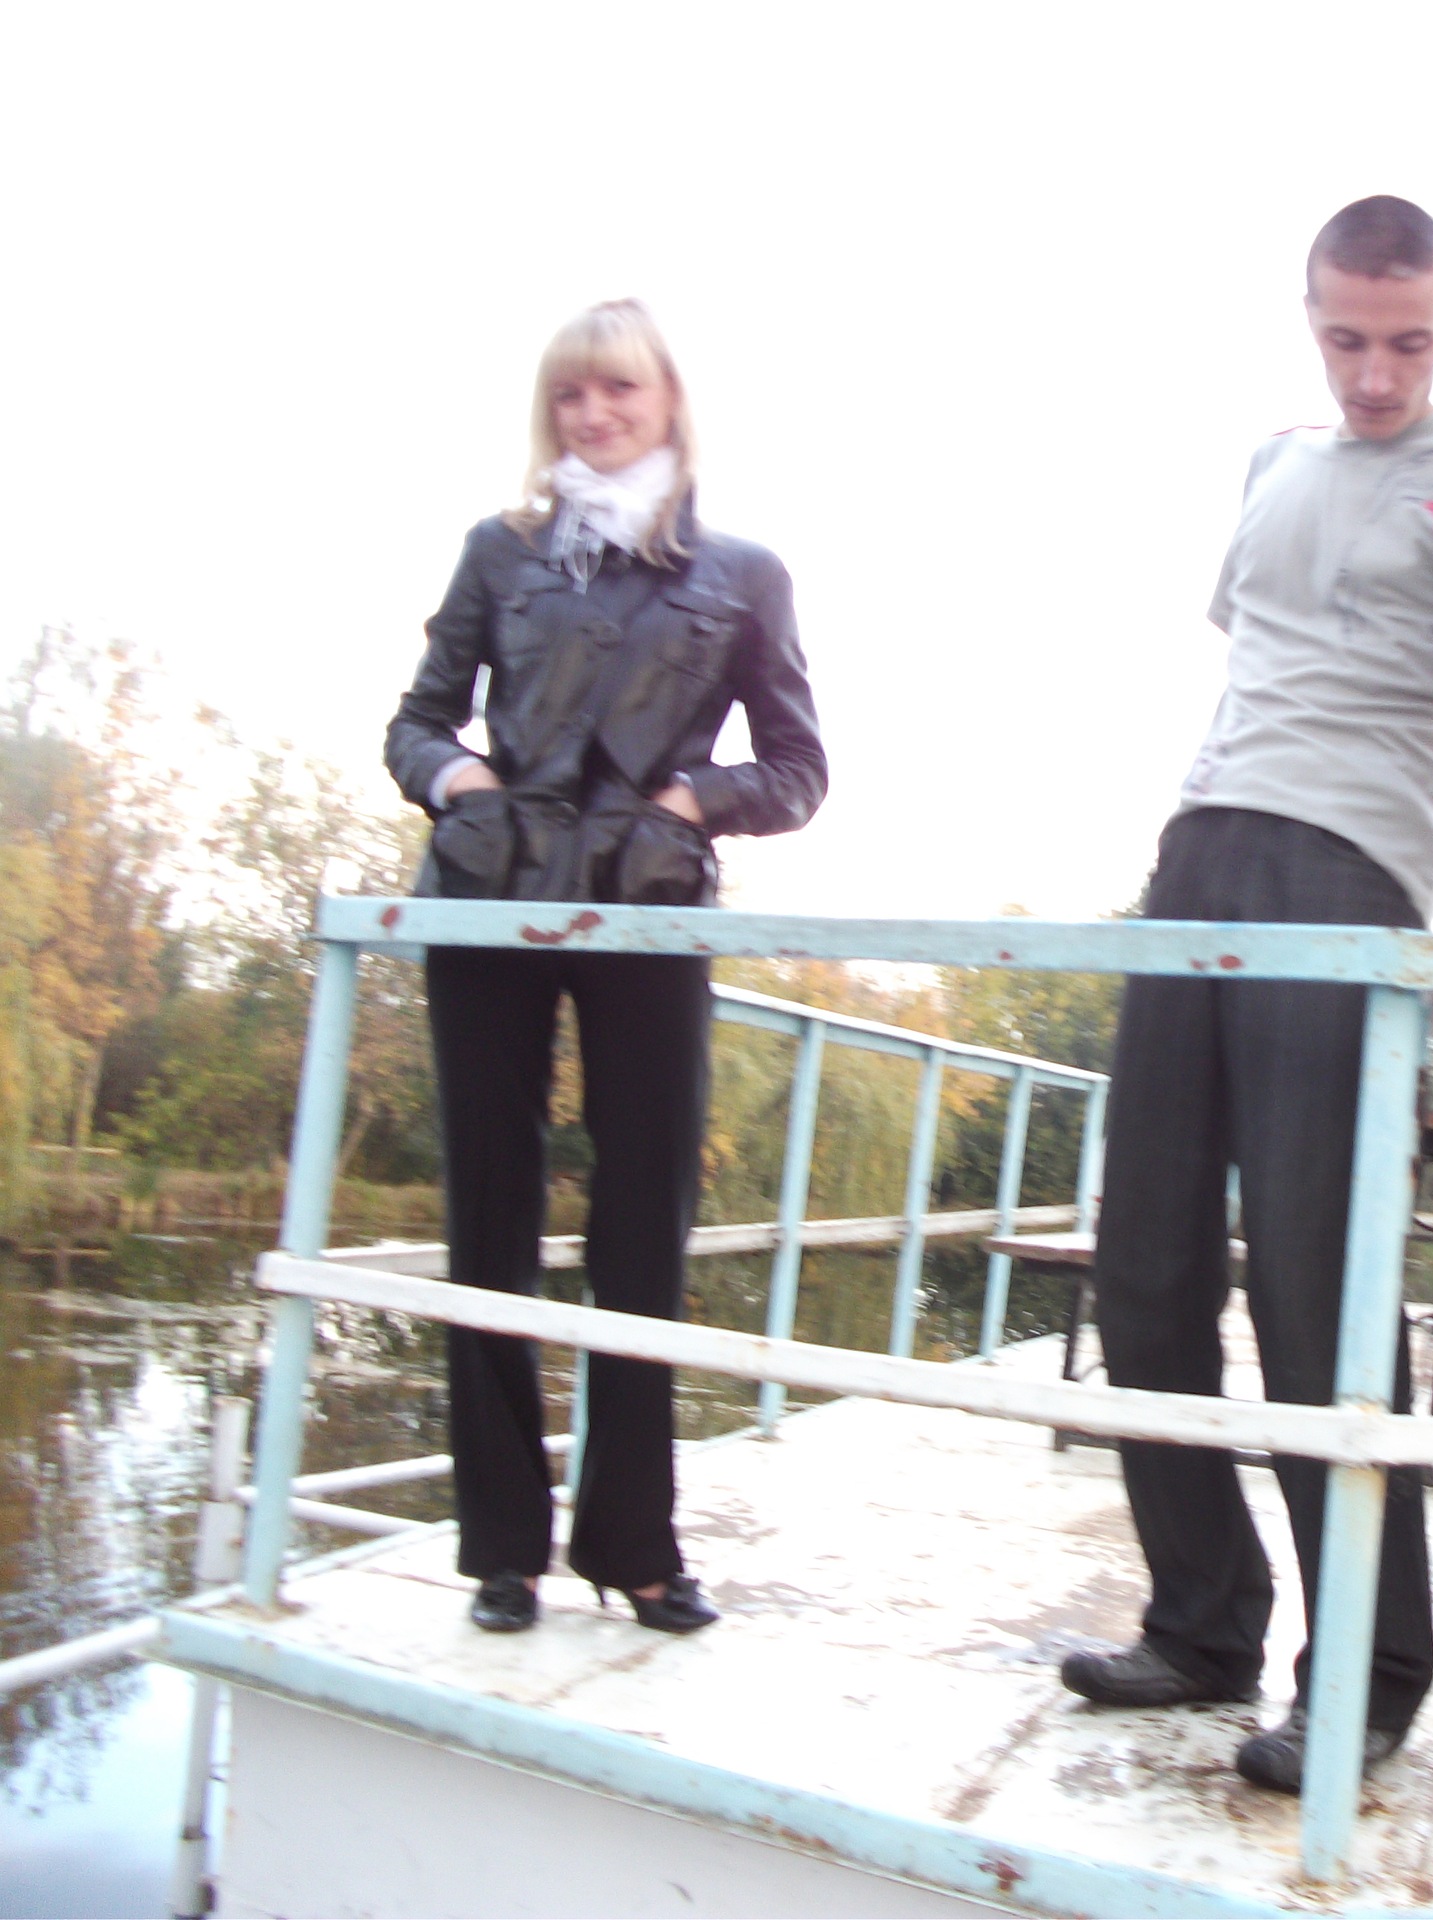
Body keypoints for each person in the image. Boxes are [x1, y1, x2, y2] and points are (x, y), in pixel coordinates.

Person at [1057, 196, 1433, 1793]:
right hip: (1199, 853)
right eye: (1347, 339)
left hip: (1351, 883)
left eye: (1408, 342)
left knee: (1312, 1290)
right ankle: (1202, 1621)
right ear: (1310, 319)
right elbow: (1260, 671)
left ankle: (1367, 1671)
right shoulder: (1272, 464)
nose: (1375, 374)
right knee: (1141, 1264)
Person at [384, 299, 827, 1638]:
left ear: (668, 400)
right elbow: (416, 722)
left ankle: (635, 1546)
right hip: (490, 899)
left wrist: (694, 802)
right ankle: (502, 1550)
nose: (594, 415)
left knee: (644, 1218)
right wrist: (459, 781)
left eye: (618, 390)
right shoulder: (501, 552)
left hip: (648, 909)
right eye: (571, 395)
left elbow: (799, 769)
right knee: (489, 1215)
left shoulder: (741, 573)